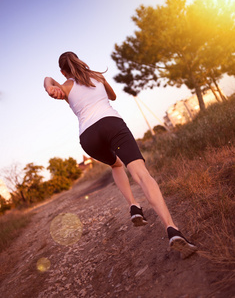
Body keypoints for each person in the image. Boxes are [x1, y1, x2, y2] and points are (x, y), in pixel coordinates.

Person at [44, 51, 197, 259]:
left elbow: (50, 84)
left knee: (116, 165)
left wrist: (50, 84)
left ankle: (133, 205)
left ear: (62, 71)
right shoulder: (98, 77)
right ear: (79, 61)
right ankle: (172, 228)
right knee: (141, 174)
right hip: (111, 123)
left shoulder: (64, 88)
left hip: (88, 136)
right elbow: (112, 97)